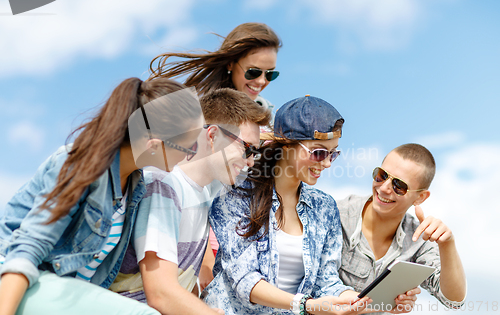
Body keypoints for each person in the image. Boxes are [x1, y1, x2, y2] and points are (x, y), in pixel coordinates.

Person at [0, 77, 203, 315]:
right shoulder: (80, 165)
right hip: (16, 282)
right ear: (154, 146)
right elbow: (26, 250)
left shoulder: (136, 187)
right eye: (190, 147)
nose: (191, 155)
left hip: (61, 291)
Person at [201, 95, 375, 314]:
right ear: (286, 146)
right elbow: (245, 280)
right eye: (319, 152)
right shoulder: (236, 196)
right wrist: (305, 305)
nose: (327, 163)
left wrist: (358, 300)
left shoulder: (325, 207)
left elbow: (326, 280)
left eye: (333, 153)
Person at [108, 88, 271, 315]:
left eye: (256, 152)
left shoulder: (203, 194)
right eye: (247, 148)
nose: (251, 161)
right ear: (212, 136)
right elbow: (160, 294)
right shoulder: (163, 185)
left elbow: (181, 286)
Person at [337, 143, 467, 313]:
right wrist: (378, 305)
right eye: (381, 175)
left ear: (420, 197)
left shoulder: (419, 238)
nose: (384, 188)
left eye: (399, 186)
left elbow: (453, 301)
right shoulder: (337, 215)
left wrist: (447, 243)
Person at [149, 22, 281, 112]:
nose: (261, 81)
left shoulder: (271, 118)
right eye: (253, 72)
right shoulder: (199, 114)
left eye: (270, 74)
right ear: (230, 64)